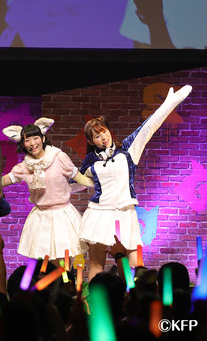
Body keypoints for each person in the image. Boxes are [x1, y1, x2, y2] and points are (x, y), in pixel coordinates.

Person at [79, 85, 192, 281]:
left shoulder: (128, 149)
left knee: (134, 265)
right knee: (96, 264)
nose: (103, 137)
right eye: (97, 136)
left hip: (126, 212)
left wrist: (170, 103)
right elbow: (74, 183)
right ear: (91, 142)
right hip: (99, 213)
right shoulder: (90, 161)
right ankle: (91, 299)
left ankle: (133, 297)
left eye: (104, 132)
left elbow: (148, 127)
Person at [2, 118, 93, 266]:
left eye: (35, 138)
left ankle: (67, 280)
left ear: (43, 139)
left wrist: (101, 184)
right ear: (22, 144)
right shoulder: (24, 167)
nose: (32, 143)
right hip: (42, 217)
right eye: (27, 140)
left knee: (66, 262)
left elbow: (80, 178)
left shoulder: (59, 158)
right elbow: (3, 181)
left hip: (63, 215)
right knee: (50, 264)